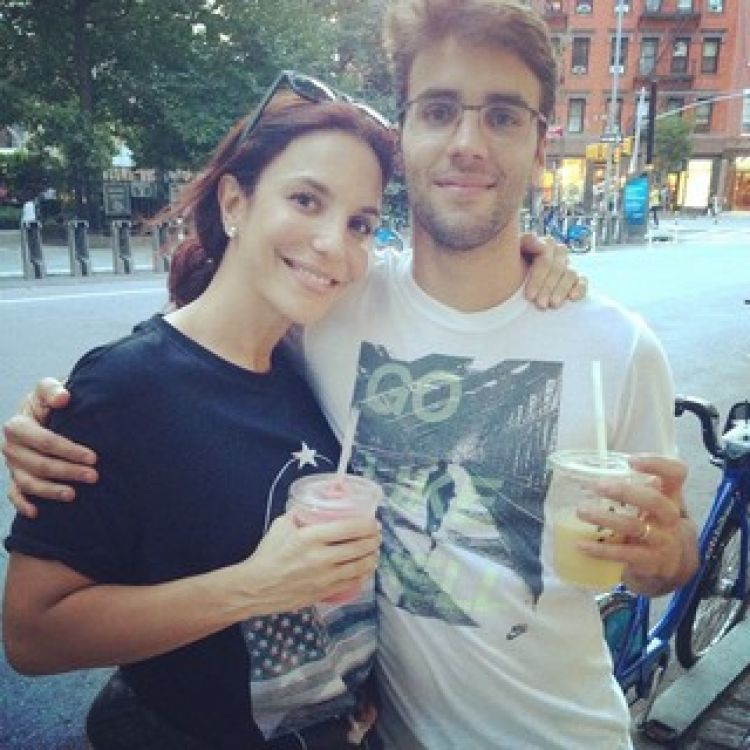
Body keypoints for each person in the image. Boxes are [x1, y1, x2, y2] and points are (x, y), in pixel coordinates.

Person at [3, 2, 694, 748]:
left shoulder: (619, 346)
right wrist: (63, 413)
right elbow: (194, 358)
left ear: (539, 142)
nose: (467, 144)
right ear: (406, 133)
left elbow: (666, 558)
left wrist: (665, 555)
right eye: (439, 111)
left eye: (502, 116)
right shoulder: (334, 306)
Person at [3, 82, 394, 750]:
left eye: (360, 223)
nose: (335, 243)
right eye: (306, 200)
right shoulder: (123, 386)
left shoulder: (310, 360)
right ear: (235, 202)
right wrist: (254, 587)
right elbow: (32, 636)